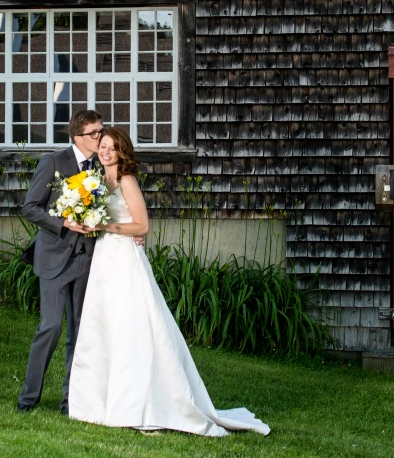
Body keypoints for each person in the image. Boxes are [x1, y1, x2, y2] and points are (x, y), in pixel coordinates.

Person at [69, 127, 270, 437]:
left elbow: (142, 225)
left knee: (131, 328)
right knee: (103, 325)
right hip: (103, 260)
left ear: (123, 152)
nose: (106, 151)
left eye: (112, 147)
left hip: (123, 259)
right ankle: (96, 404)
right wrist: (79, 220)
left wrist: (104, 225)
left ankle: (142, 405)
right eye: (103, 146)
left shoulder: (126, 180)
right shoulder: (96, 180)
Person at [17, 110, 133, 414]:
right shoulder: (53, 162)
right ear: (77, 137)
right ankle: (28, 399)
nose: (100, 138)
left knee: (80, 334)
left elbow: (118, 207)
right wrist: (63, 222)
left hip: (88, 261)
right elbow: (30, 208)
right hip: (54, 258)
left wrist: (133, 232)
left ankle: (72, 401)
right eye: (94, 133)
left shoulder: (102, 166)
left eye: (101, 131)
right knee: (51, 327)